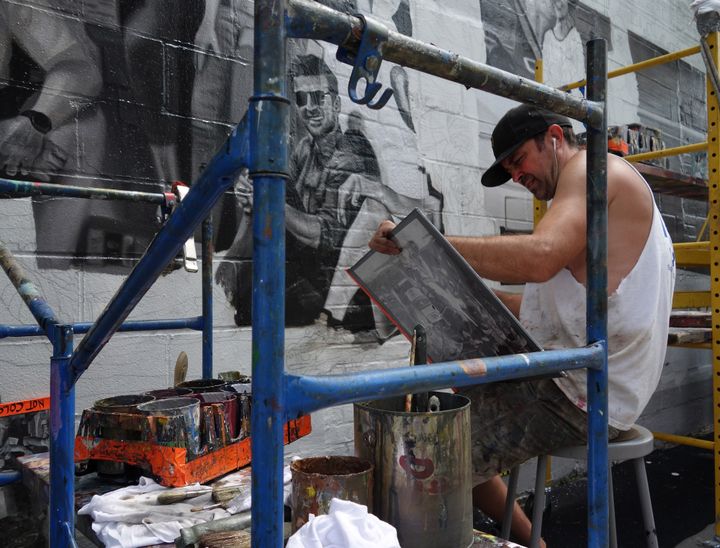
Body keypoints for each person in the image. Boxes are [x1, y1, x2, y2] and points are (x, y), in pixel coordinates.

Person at [369, 103, 676, 545]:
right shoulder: (590, 196)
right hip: (588, 381)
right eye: (510, 170)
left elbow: (539, 256)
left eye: (519, 160)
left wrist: (421, 243)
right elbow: (551, 306)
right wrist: (460, 297)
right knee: (436, 414)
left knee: (424, 451)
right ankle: (536, 540)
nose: (517, 176)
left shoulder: (591, 168)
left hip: (586, 394)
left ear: (554, 137)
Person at [215, 53, 381, 326]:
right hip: (306, 270)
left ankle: (234, 274)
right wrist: (252, 194)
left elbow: (324, 236)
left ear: (337, 103)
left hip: (336, 291)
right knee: (264, 178)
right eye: (302, 99)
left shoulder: (350, 152)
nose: (309, 107)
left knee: (251, 309)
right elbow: (280, 202)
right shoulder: (305, 149)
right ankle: (232, 270)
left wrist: (268, 197)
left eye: (318, 97)